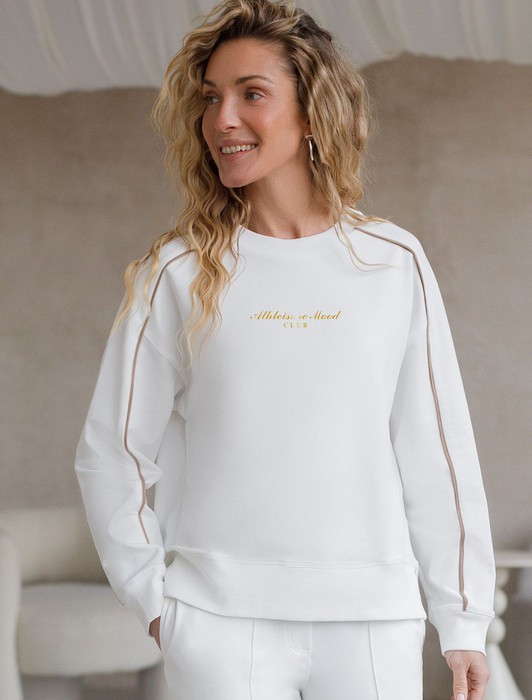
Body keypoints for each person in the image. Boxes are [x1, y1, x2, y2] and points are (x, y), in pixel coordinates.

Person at [74, 0, 496, 698]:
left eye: (252, 94)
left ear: (311, 112)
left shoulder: (392, 262)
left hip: (372, 620)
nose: (223, 119)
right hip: (218, 622)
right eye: (211, 97)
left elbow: (437, 447)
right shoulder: (178, 271)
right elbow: (110, 451)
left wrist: (464, 619)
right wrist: (152, 599)